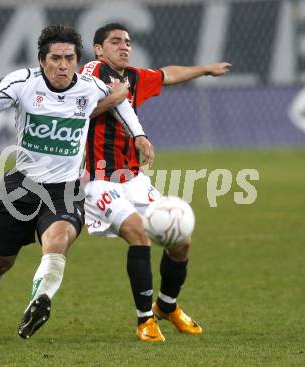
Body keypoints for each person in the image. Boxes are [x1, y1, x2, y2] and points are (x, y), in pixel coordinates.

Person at [0, 24, 154, 341]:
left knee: (58, 242)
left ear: (77, 60)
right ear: (42, 60)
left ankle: (41, 301)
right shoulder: (24, 82)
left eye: (69, 58)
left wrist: (140, 135)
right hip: (21, 187)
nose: (62, 65)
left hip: (64, 191)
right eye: (55, 58)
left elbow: (120, 101)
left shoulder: (90, 87)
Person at [80, 23, 231, 342]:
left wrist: (204, 69)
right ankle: (144, 320)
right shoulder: (92, 72)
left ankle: (167, 307)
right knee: (138, 232)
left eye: (128, 42)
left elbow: (167, 74)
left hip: (133, 179)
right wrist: (138, 131)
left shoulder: (133, 76)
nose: (124, 47)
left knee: (181, 238)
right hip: (99, 182)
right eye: (115, 41)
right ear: (98, 48)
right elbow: (82, 112)